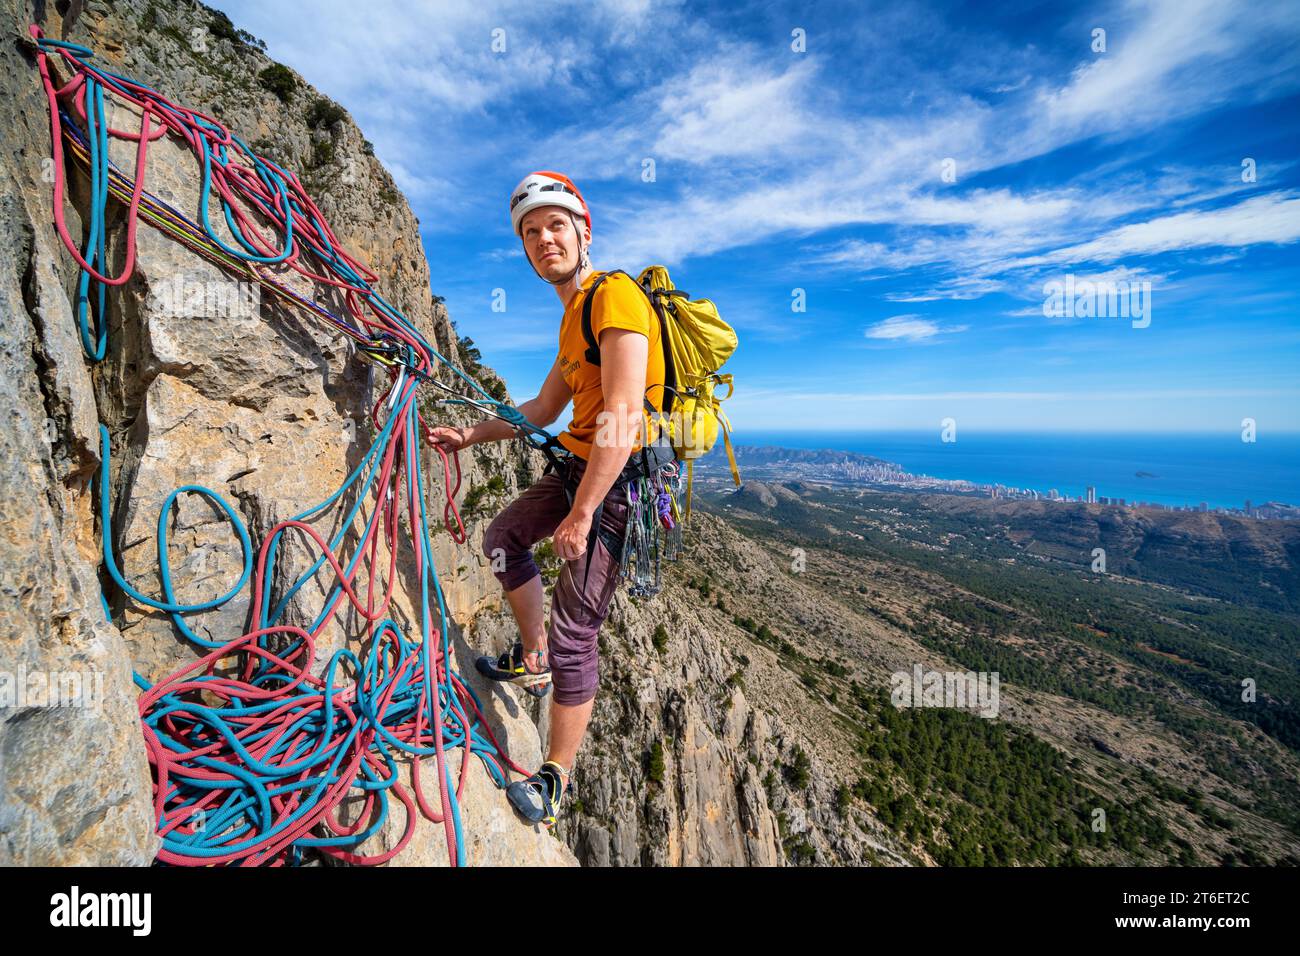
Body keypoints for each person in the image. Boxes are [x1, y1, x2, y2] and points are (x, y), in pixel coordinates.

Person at [428, 171, 665, 828]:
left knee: (576, 632)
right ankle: (526, 655)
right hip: (579, 468)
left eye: (555, 225)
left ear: (583, 231)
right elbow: (542, 407)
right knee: (502, 539)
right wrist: (470, 435)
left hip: (614, 485)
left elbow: (622, 414)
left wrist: (584, 512)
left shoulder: (615, 296)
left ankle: (555, 777)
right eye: (531, 233)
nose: (543, 239)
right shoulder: (574, 317)